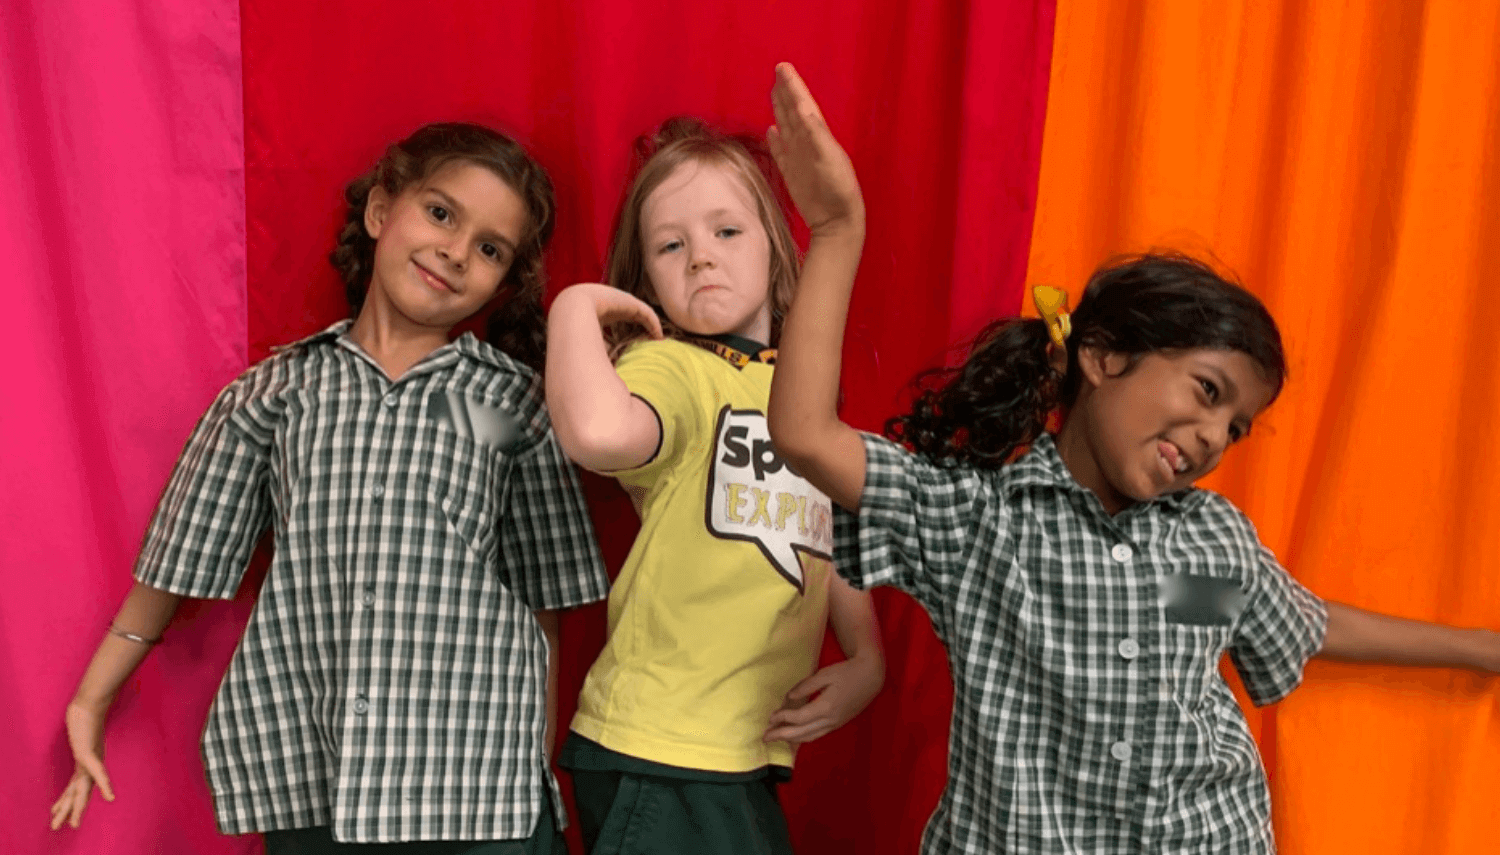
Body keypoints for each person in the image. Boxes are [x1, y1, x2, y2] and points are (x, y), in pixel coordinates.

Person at [762, 63, 1500, 853]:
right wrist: (839, 231)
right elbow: (806, 433)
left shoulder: (1206, 549)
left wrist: (1480, 648)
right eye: (1209, 391)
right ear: (1104, 359)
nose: (1218, 436)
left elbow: (1300, 623)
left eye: (1238, 427)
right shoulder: (981, 526)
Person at [49, 123, 609, 854]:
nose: (454, 250)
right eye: (441, 213)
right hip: (317, 776)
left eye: (490, 248)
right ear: (382, 210)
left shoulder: (498, 406)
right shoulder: (280, 393)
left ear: (503, 283)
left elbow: (543, 595)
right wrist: (91, 699)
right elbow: (179, 558)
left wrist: (531, 760)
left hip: (477, 785)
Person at [544, 117, 885, 854]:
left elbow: (824, 530)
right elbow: (598, 433)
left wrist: (864, 656)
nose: (701, 257)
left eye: (727, 231)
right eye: (671, 245)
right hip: (662, 746)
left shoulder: (797, 391)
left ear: (776, 249)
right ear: (645, 284)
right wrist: (574, 308)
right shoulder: (673, 370)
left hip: (741, 751)